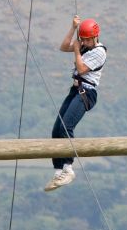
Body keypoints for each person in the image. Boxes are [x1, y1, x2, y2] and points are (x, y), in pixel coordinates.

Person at [45, 16, 107, 191]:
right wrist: (73, 29)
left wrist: (78, 50)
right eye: (83, 39)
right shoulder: (84, 46)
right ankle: (58, 172)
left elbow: (81, 69)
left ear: (95, 37)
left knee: (66, 127)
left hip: (86, 92)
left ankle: (69, 168)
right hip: (76, 91)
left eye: (88, 39)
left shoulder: (99, 51)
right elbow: (63, 46)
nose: (85, 42)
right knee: (56, 130)